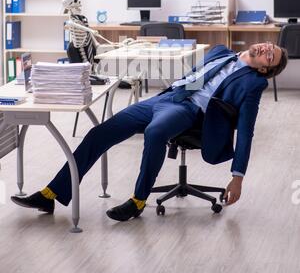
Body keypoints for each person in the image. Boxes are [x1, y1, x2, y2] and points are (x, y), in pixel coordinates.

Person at [11, 42, 288, 222]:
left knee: (155, 132)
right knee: (100, 132)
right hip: (167, 98)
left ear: (266, 68)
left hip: (188, 110)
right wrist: (173, 90)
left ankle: (138, 200)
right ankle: (51, 195)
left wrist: (237, 178)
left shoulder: (253, 84)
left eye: (269, 55)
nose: (265, 48)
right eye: (269, 46)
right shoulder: (219, 51)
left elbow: (247, 132)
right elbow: (193, 76)